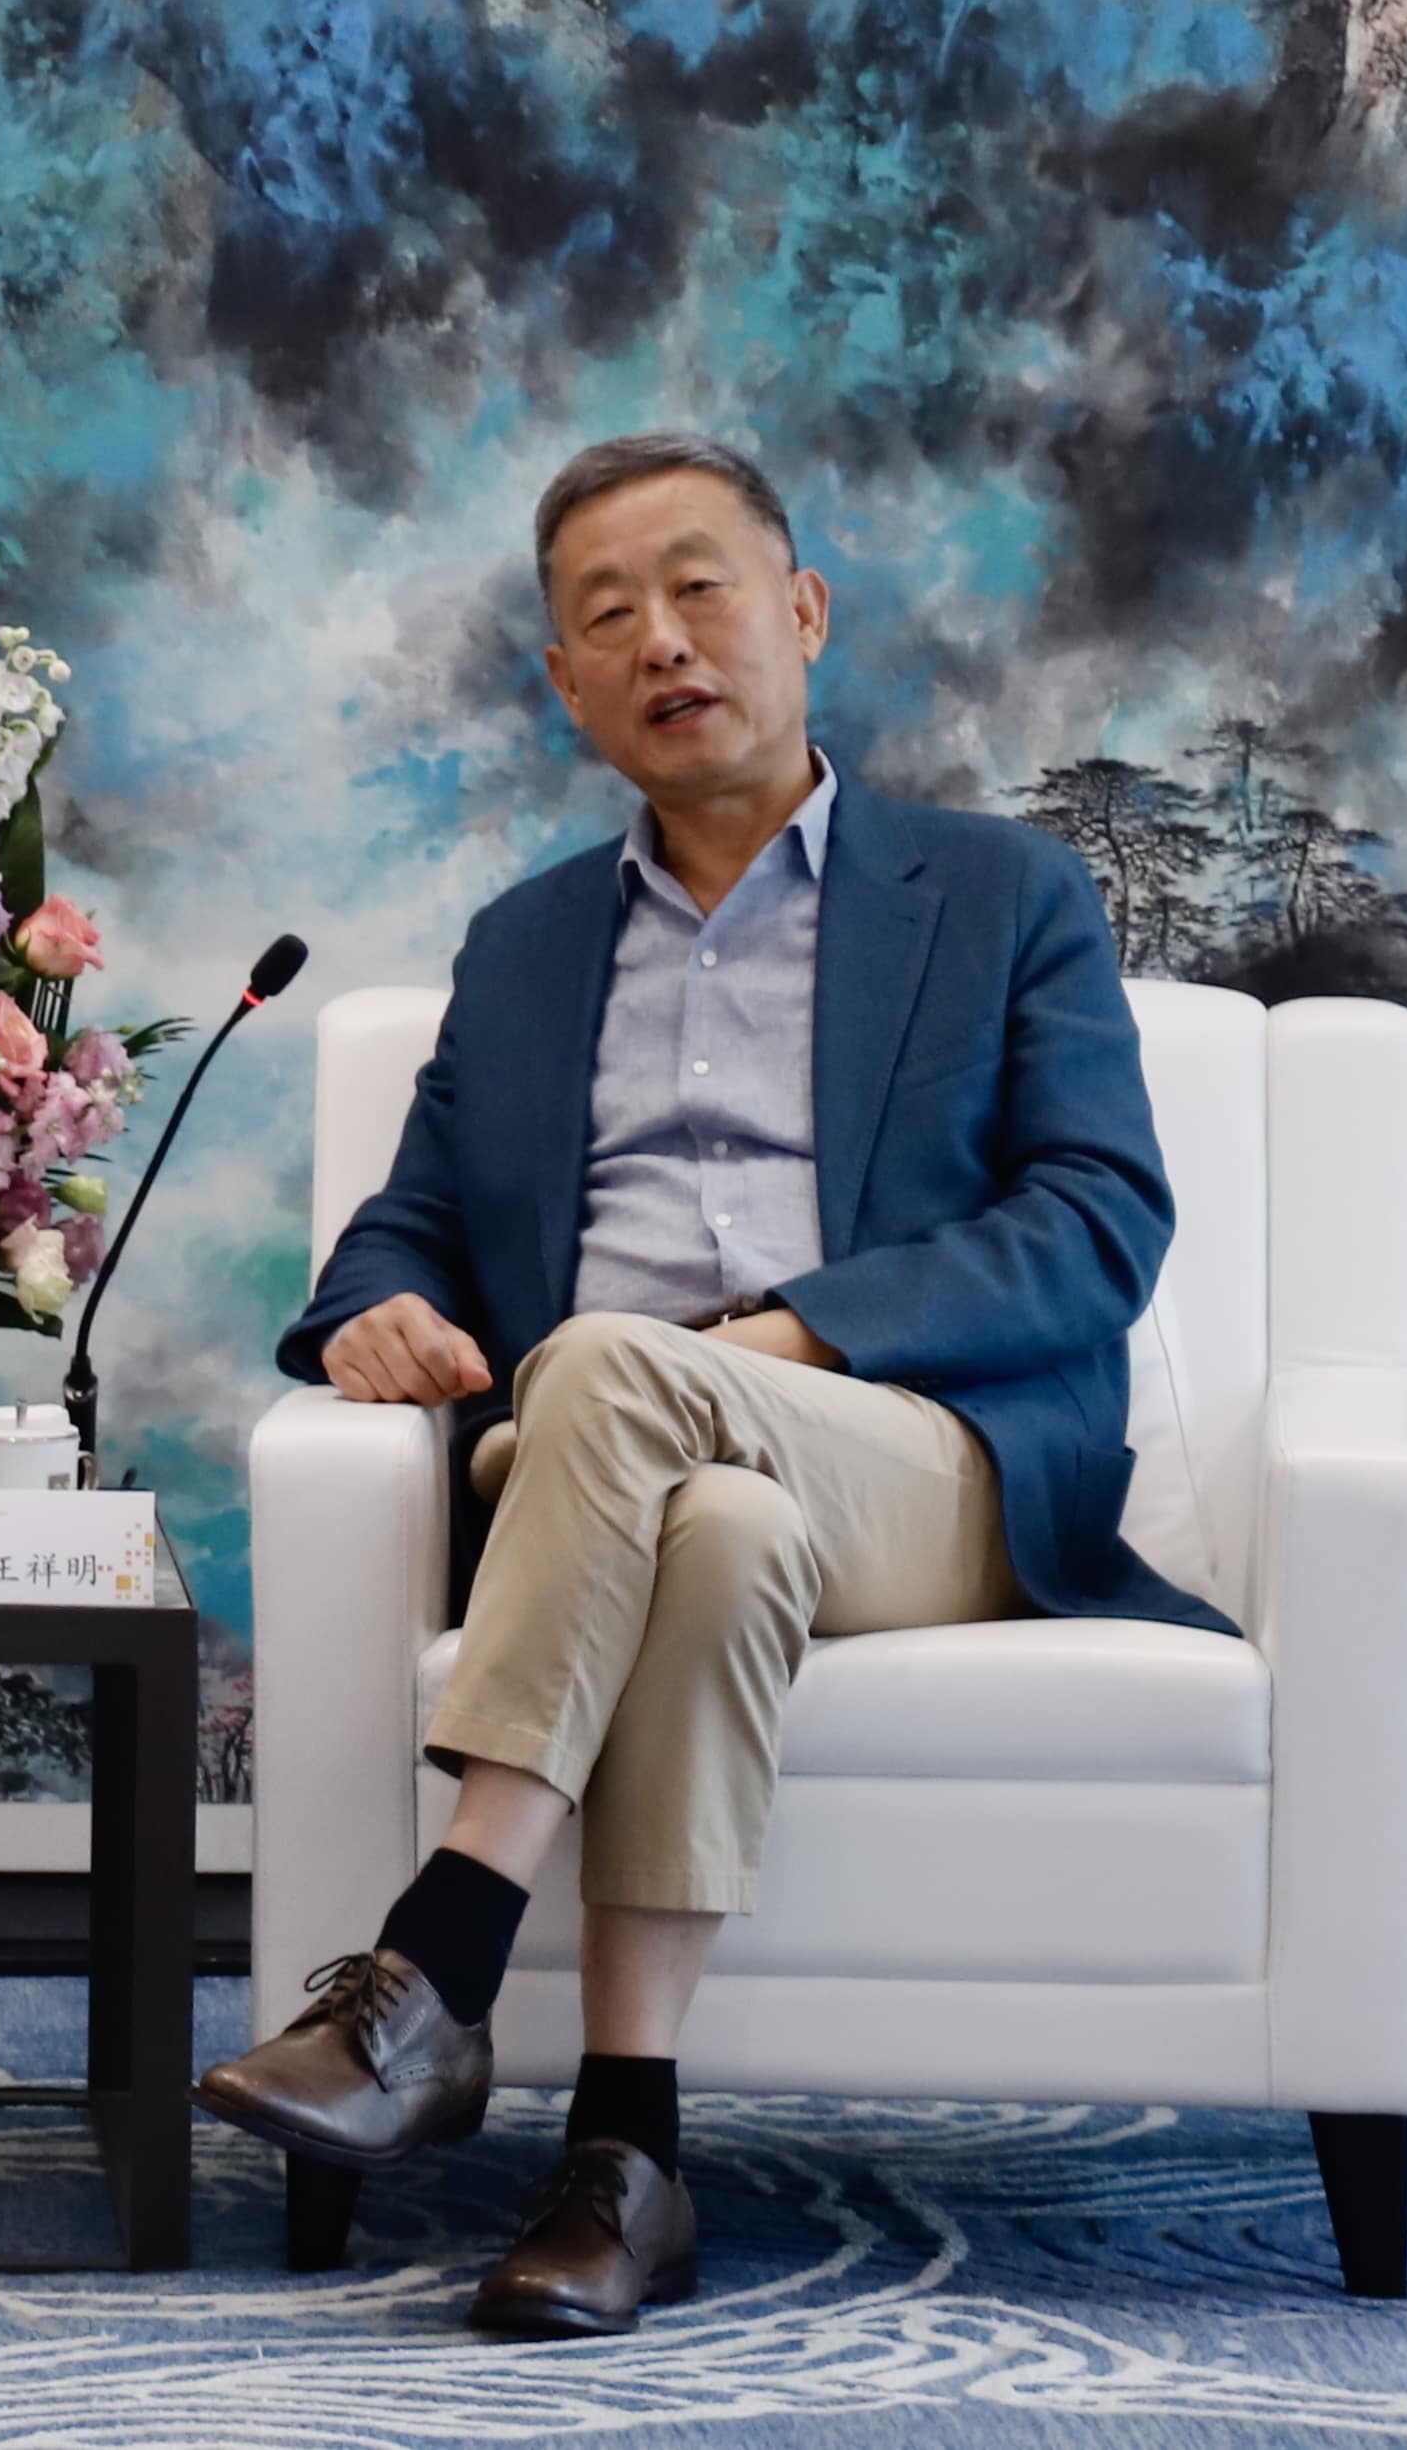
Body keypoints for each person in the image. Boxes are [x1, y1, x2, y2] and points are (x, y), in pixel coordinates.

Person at [197, 433, 1218, 2338]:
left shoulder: (998, 894)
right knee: (713, 1523)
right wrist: (368, 1314)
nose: (660, 639)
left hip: (922, 1465)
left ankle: (430, 1971)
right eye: (606, 616)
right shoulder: (522, 948)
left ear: (800, 612)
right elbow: (404, 1227)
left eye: (697, 587)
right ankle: (626, 2162)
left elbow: (1098, 1224)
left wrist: (787, 1340)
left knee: (620, 1373)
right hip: (604, 1481)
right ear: (565, 687)